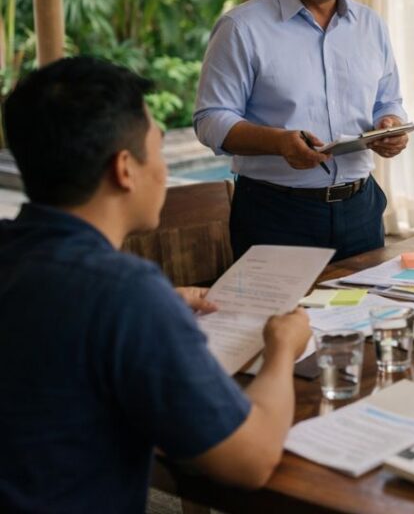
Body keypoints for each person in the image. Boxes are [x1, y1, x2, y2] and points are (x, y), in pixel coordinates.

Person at [0, 57, 311, 511]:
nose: (163, 169)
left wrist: (156, 303)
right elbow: (250, 461)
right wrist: (282, 347)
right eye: (159, 149)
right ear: (125, 169)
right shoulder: (123, 292)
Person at [194, 0, 408, 262]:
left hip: (361, 208)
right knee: (278, 320)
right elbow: (211, 120)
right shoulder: (241, 27)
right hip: (276, 213)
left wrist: (389, 125)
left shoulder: (371, 25)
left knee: (368, 315)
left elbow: (387, 100)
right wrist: (279, 142)